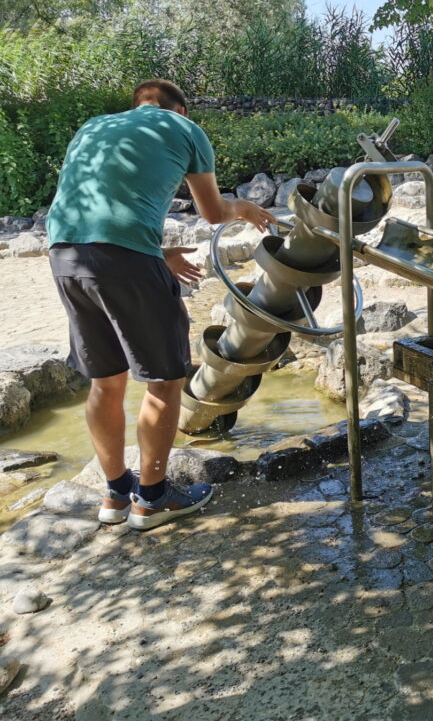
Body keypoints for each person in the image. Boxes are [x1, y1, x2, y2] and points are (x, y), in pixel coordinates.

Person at [46, 79, 275, 530]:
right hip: (123, 257)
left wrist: (156, 254)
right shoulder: (184, 129)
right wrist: (245, 208)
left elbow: (100, 211)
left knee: (106, 382)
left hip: (66, 256)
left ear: (135, 107)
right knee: (166, 381)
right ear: (181, 111)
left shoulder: (93, 126)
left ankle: (115, 496)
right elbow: (212, 213)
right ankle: (152, 498)